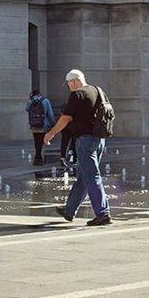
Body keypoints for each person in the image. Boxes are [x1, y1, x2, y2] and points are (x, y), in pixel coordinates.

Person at [44, 69, 112, 225]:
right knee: (84, 177)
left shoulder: (77, 94)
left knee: (92, 176)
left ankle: (103, 213)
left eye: (68, 83)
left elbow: (66, 118)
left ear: (74, 81)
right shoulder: (98, 91)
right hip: (99, 139)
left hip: (85, 141)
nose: (68, 87)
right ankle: (69, 210)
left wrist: (51, 133)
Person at [25, 87, 55, 166]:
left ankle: (37, 158)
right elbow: (50, 114)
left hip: (34, 124)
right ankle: (39, 158)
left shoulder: (30, 101)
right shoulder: (45, 100)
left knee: (36, 141)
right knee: (41, 141)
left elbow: (27, 109)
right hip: (43, 124)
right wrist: (53, 124)